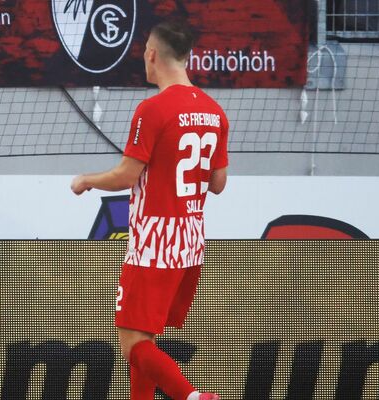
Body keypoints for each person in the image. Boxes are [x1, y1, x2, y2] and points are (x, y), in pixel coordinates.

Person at [71, 19, 228, 400]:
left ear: (152, 54)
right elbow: (219, 184)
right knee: (144, 337)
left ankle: (191, 397)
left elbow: (127, 175)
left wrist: (87, 179)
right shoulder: (215, 112)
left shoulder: (152, 109)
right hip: (191, 239)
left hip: (156, 239)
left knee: (132, 343)